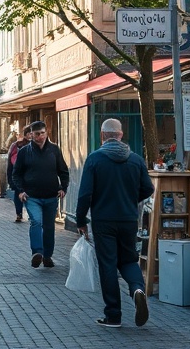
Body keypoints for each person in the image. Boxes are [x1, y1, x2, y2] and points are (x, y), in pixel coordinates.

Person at [75, 118, 154, 328]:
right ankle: (137, 289)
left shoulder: (94, 159)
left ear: (103, 136)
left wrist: (81, 220)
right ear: (120, 135)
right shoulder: (136, 160)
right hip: (128, 219)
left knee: (108, 264)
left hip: (103, 221)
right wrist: (130, 199)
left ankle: (113, 315)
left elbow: (85, 195)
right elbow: (148, 189)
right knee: (129, 260)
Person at [12, 120, 69, 268]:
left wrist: (63, 187)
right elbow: (16, 174)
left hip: (51, 196)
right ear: (31, 135)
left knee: (49, 227)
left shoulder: (54, 150)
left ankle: (48, 256)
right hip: (32, 196)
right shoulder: (25, 152)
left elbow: (63, 170)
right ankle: (37, 253)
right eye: (37, 134)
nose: (40, 137)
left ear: (46, 132)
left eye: (43, 133)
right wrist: (20, 190)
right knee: (36, 222)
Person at [7, 125, 34, 222]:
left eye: (32, 133)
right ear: (26, 134)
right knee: (18, 194)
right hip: (19, 175)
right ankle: (19, 214)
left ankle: (31, 214)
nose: (31, 135)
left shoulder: (39, 145)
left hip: (31, 176)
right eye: (29, 133)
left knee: (31, 196)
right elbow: (11, 162)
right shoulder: (17, 145)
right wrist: (10, 178)